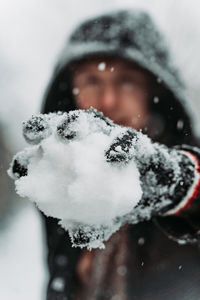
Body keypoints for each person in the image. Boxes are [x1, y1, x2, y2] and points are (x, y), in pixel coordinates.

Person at [40, 10, 200, 300]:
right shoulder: (66, 183)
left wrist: (178, 183)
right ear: (71, 90)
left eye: (126, 80)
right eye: (91, 80)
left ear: (154, 90)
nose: (107, 100)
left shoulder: (180, 162)